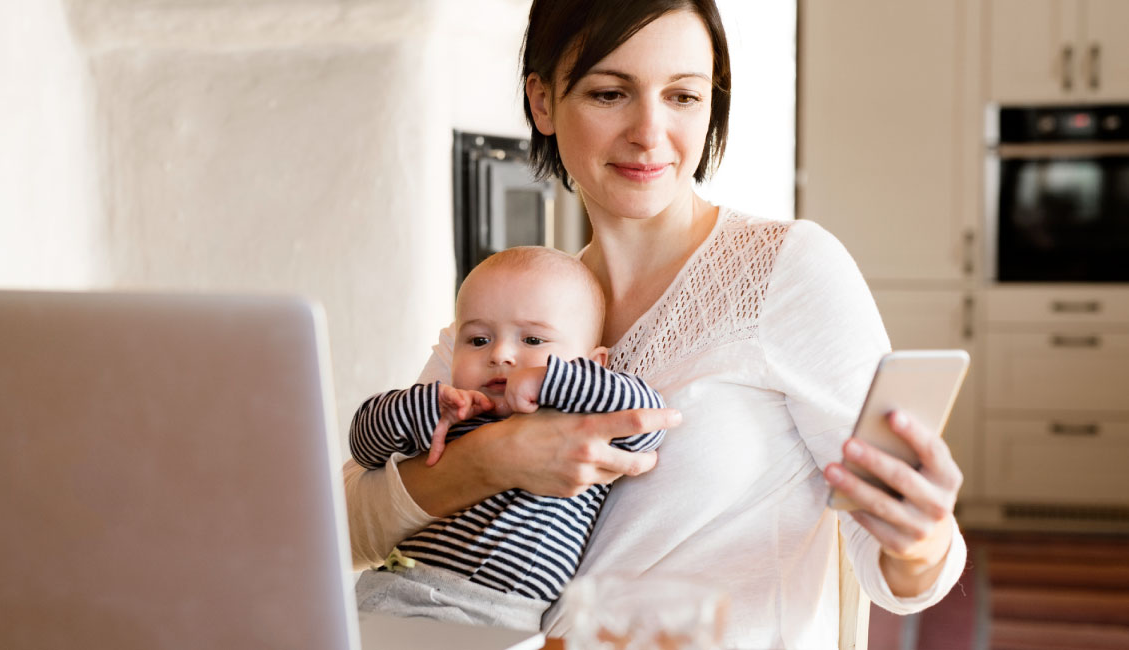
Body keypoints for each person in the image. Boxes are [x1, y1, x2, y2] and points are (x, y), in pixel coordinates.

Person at [342, 1, 968, 646]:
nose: (650, 132)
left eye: (684, 96)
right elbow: (350, 525)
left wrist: (921, 538)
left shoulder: (786, 268)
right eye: (610, 93)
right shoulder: (512, 305)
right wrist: (500, 456)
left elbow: (901, 569)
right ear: (543, 102)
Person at [349, 246, 665, 632]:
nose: (501, 354)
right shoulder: (456, 412)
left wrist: (551, 381)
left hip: (499, 619)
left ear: (593, 364)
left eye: (533, 341)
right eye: (478, 340)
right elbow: (364, 444)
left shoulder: (586, 419)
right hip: (396, 594)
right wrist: (427, 405)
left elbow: (647, 421)